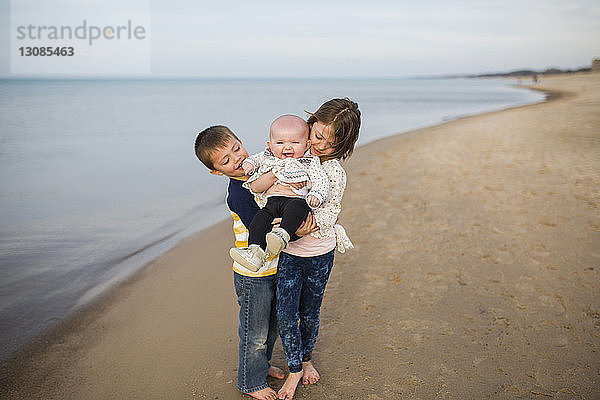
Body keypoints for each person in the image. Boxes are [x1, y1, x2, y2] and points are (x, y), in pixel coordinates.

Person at [194, 125, 317, 400]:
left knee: (273, 322)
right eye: (225, 160)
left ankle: (262, 365)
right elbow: (260, 227)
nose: (236, 159)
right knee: (255, 330)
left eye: (236, 149)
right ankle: (250, 382)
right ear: (217, 171)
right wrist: (297, 230)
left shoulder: (259, 170)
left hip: (277, 266)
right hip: (254, 273)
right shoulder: (238, 192)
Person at [274, 98, 360, 400]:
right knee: (285, 313)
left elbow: (332, 207)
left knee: (308, 313)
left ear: (343, 143)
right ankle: (294, 368)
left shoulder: (334, 171)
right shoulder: (294, 154)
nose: (318, 144)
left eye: (329, 141)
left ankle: (305, 359)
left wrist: (307, 224)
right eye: (316, 134)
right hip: (288, 254)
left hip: (319, 253)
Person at [229, 115, 331, 272]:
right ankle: (255, 251)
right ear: (270, 145)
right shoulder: (268, 156)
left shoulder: (309, 161)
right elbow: (255, 159)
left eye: (295, 143)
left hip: (295, 199)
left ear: (307, 144)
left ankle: (282, 235)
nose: (287, 148)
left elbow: (321, 180)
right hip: (272, 202)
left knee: (297, 209)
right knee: (260, 218)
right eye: (280, 143)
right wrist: (249, 165)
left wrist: (316, 194)